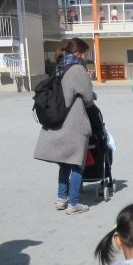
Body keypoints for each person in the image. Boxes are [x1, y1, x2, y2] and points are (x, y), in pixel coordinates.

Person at [34, 38, 97, 214]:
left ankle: (62, 198)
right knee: (77, 164)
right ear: (79, 53)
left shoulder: (61, 66)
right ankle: (74, 203)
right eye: (86, 53)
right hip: (75, 122)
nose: (86, 57)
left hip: (60, 121)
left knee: (64, 164)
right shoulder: (78, 69)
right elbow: (88, 98)